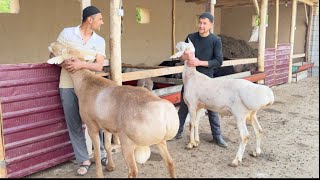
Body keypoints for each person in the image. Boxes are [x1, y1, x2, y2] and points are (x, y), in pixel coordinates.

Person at [49, 6, 108, 175]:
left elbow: (98, 66)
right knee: (73, 122)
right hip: (68, 84)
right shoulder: (67, 33)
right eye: (100, 19)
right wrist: (63, 63)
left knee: (99, 120)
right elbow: (53, 52)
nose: (102, 22)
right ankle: (83, 159)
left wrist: (81, 64)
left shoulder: (99, 40)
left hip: (91, 87)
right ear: (90, 19)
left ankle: (101, 154)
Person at [174, 12, 228, 148]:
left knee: (212, 109)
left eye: (204, 23)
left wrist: (199, 62)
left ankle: (217, 136)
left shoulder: (216, 40)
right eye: (200, 22)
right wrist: (185, 57)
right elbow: (181, 56)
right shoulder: (191, 37)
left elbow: (218, 61)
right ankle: (178, 132)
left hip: (207, 80)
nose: (201, 25)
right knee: (184, 106)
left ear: (211, 25)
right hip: (190, 80)